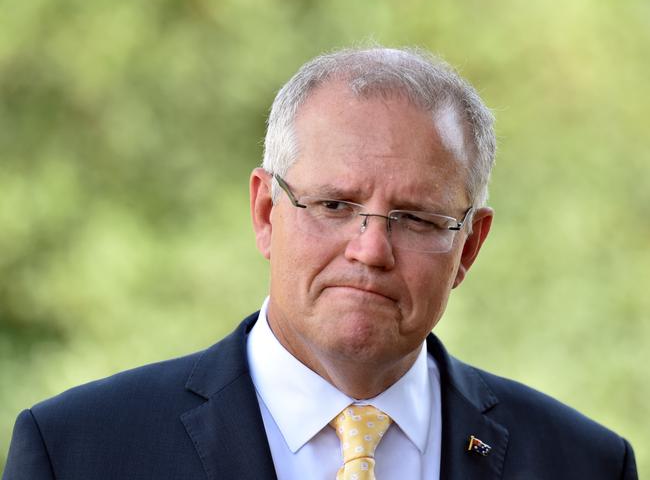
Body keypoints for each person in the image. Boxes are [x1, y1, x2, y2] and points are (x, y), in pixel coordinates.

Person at [3, 47, 637, 480]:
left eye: (416, 217)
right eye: (335, 204)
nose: (370, 249)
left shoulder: (581, 463)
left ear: (468, 247)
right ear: (264, 212)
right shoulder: (80, 452)